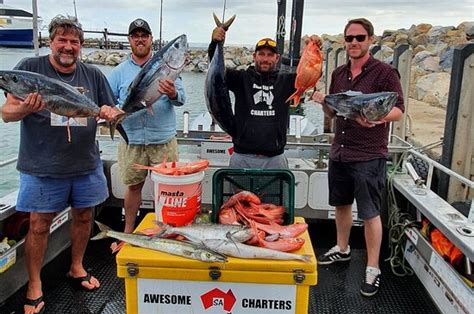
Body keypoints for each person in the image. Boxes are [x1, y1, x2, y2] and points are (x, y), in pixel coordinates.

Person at [1, 15, 121, 314]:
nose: (68, 47)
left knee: (83, 217)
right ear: (50, 41)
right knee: (39, 225)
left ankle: (77, 267)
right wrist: (25, 108)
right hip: (42, 166)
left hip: (86, 163)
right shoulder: (29, 69)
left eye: (74, 42)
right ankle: (33, 284)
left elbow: (111, 108)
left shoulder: (92, 74)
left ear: (80, 46)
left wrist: (109, 112)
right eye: (62, 40)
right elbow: (7, 113)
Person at [312, 18, 404, 297]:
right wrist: (322, 102)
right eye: (349, 38)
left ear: (371, 40)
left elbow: (398, 109)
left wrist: (376, 120)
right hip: (340, 149)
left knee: (369, 213)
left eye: (360, 38)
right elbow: (333, 113)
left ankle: (373, 268)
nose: (354, 42)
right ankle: (342, 248)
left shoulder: (385, 73)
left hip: (368, 154)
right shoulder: (339, 73)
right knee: (340, 204)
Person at [107, 18, 186, 234]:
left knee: (168, 190)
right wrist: (114, 111)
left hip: (162, 140)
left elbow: (182, 99)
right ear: (130, 40)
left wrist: (172, 93)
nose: (140, 39)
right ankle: (128, 231)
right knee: (133, 187)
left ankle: (168, 230)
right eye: (135, 36)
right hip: (131, 140)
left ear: (151, 39)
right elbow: (107, 101)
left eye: (144, 36)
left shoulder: (168, 67)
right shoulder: (118, 72)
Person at [209, 27, 321, 169]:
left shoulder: (287, 81)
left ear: (277, 58)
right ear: (254, 56)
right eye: (261, 54)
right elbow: (215, 70)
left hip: (275, 159)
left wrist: (315, 46)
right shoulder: (241, 78)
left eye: (270, 55)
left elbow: (314, 72)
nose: (265, 59)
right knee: (239, 193)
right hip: (242, 157)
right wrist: (215, 43)